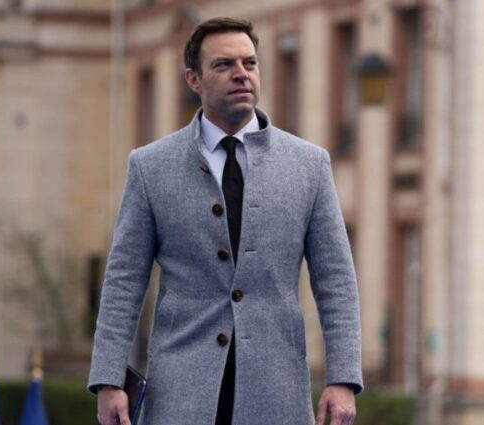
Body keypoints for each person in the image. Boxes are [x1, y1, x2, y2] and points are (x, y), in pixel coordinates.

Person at [88, 17, 363, 425]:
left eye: (249, 63)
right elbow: (124, 281)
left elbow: (336, 280)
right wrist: (109, 379)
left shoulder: (309, 166)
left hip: (276, 391)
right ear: (193, 80)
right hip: (180, 393)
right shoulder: (151, 167)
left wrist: (343, 378)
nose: (241, 74)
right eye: (223, 65)